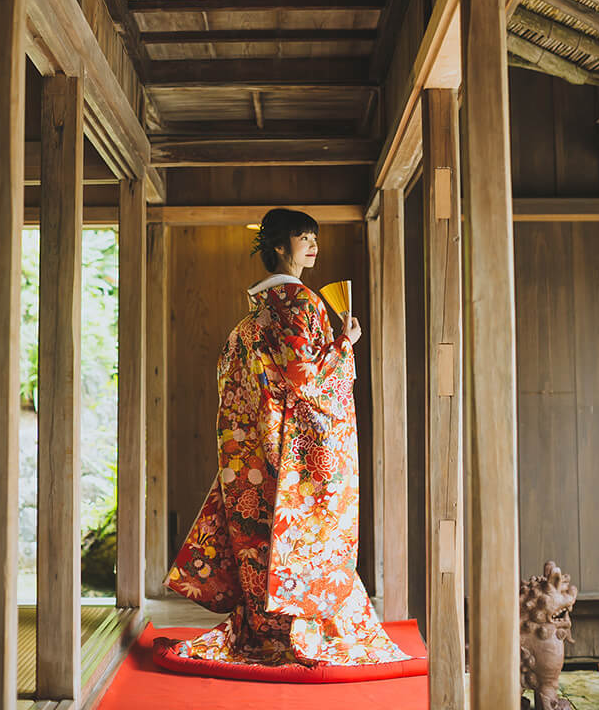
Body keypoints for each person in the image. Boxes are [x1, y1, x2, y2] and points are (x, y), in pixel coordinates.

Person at [161, 208, 412, 671]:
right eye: (303, 237)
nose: (313, 245)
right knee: (309, 532)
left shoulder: (255, 311)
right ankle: (307, 628)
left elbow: (234, 378)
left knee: (259, 533)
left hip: (255, 443)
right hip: (298, 449)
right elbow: (308, 378)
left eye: (315, 237)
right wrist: (344, 345)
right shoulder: (300, 302)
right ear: (280, 246)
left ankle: (264, 629)